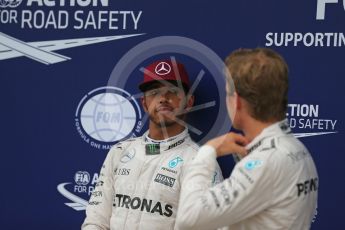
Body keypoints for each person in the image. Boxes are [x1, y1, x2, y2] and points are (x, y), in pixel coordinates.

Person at [176, 48, 318, 230]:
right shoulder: (295, 147)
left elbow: (188, 218)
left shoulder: (264, 163)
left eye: (227, 93)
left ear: (237, 102)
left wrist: (207, 151)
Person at [82, 59, 223, 230]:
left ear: (189, 102)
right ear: (144, 103)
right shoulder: (120, 151)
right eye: (154, 92)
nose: (163, 98)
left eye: (172, 91)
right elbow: (96, 219)